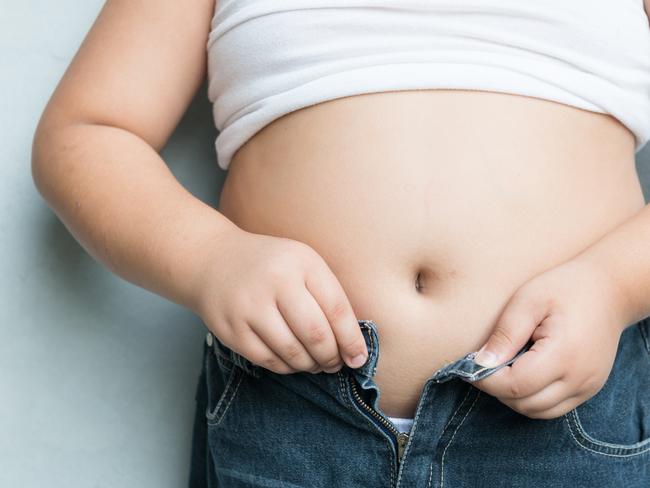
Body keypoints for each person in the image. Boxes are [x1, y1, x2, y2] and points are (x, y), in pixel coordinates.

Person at [31, 0, 650, 486]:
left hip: (566, 415)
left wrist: (614, 288)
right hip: (295, 405)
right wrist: (210, 259)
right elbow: (85, 133)